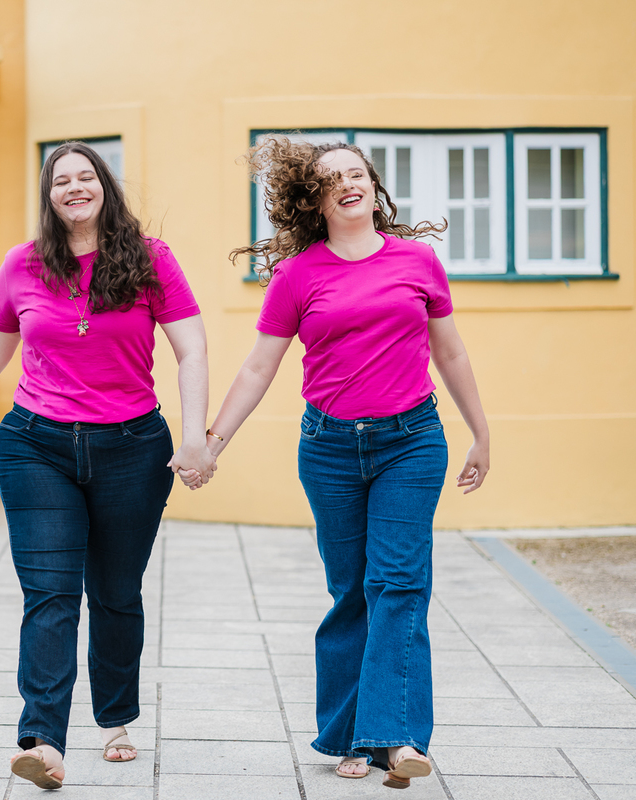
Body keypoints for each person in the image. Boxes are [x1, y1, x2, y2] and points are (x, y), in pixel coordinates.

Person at [0, 141, 213, 789]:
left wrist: (195, 438)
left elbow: (191, 349)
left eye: (86, 177)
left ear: (104, 186)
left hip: (133, 448)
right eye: (61, 181)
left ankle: (115, 718)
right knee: (50, 592)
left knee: (114, 591)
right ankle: (43, 739)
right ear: (48, 196)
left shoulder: (150, 260)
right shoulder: (23, 266)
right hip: (37, 445)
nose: (75, 187)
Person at [201, 136, 490, 789]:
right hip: (329, 449)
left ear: (372, 185)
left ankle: (397, 739)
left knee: (398, 585)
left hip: (411, 439)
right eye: (333, 178)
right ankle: (348, 735)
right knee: (350, 593)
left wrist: (481, 433)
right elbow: (258, 366)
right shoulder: (298, 276)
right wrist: (212, 442)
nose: (349, 184)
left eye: (357, 173)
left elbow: (453, 355)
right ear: (315, 197)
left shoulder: (417, 262)